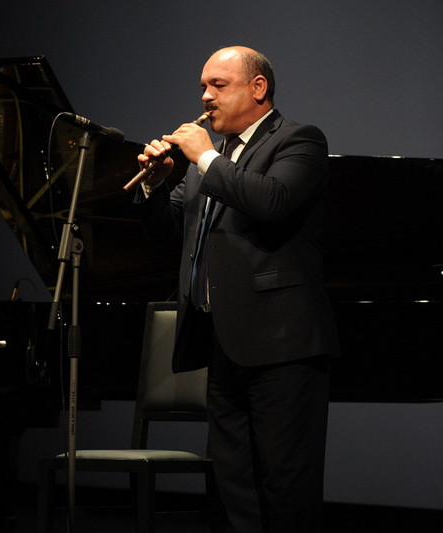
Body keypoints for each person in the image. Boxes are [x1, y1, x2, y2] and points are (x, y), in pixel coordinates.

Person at [134, 46, 339, 532]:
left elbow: (272, 201)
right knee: (233, 487)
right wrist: (155, 186)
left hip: (283, 346)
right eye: (203, 87)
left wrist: (203, 155)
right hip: (223, 343)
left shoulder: (298, 142)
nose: (205, 97)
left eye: (217, 86)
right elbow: (168, 235)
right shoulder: (216, 160)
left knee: (286, 486)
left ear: (258, 88)